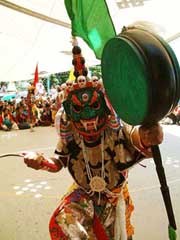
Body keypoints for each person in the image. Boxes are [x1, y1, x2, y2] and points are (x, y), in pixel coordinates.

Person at [23, 75, 163, 240]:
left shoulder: (115, 128)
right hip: (83, 194)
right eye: (78, 109)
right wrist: (41, 162)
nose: (88, 114)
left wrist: (147, 136)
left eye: (94, 106)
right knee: (62, 222)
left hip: (113, 197)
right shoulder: (70, 133)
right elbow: (58, 162)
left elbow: (136, 138)